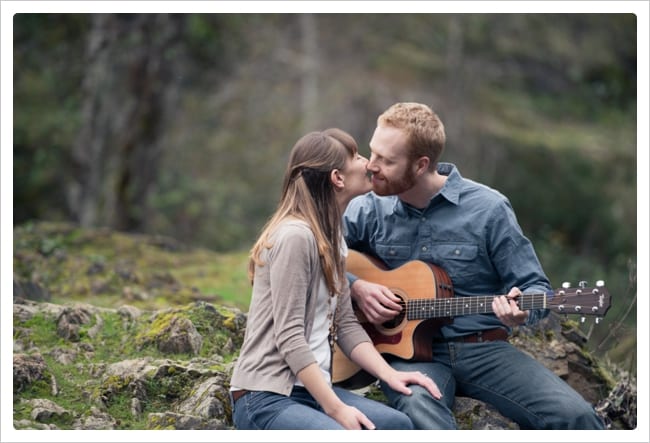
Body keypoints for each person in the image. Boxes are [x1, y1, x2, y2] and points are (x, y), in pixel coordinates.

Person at [342, 102, 605, 430]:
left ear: (421, 164)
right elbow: (315, 255)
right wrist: (356, 286)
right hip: (410, 357)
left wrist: (522, 312)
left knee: (575, 416)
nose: (372, 166)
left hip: (484, 351)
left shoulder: (489, 209)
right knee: (419, 405)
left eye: (387, 160)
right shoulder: (367, 210)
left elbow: (535, 285)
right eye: (373, 152)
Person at [229, 128, 441, 430]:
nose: (367, 161)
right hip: (267, 396)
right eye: (355, 156)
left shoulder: (332, 240)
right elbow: (289, 336)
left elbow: (346, 324)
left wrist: (389, 375)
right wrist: (337, 409)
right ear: (337, 178)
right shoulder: (295, 236)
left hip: (312, 393)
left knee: (398, 425)